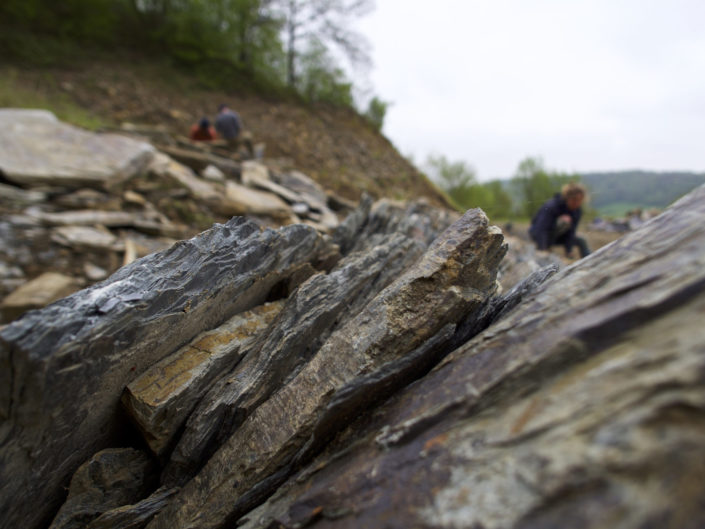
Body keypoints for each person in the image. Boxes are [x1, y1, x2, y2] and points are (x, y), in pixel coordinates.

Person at [529, 182, 591, 258]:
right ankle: (545, 248)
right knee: (564, 221)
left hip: (557, 237)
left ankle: (590, 261)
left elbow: (571, 232)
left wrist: (569, 250)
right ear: (567, 197)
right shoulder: (552, 206)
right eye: (574, 200)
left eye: (579, 200)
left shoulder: (577, 211)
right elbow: (541, 229)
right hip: (538, 234)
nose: (577, 203)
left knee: (581, 240)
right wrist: (543, 248)